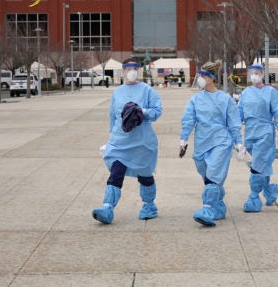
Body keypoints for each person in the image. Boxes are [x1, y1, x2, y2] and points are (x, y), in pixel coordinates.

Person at [92, 58, 163, 224]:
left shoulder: (147, 91)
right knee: (116, 173)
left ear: (138, 70)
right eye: (128, 68)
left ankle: (149, 205)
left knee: (145, 175)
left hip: (142, 143)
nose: (131, 71)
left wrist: (142, 111)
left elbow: (157, 111)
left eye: (135, 67)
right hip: (120, 142)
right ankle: (107, 207)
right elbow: (113, 117)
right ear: (122, 71)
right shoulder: (117, 92)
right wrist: (110, 140)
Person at [179, 60, 246, 227]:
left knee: (214, 174)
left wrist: (238, 143)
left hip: (221, 141)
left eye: (201, 75)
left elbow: (233, 122)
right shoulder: (195, 100)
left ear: (210, 78)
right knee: (206, 173)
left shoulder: (225, 99)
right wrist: (183, 139)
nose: (199, 78)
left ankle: (207, 209)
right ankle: (218, 203)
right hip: (202, 141)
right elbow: (188, 120)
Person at [237, 63, 278, 212]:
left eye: (257, 72)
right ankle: (270, 189)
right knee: (254, 164)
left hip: (265, 131)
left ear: (263, 74)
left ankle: (253, 197)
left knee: (258, 164)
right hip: (250, 131)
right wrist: (233, 129)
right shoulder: (246, 93)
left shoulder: (271, 92)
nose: (254, 75)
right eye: (251, 72)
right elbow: (239, 111)